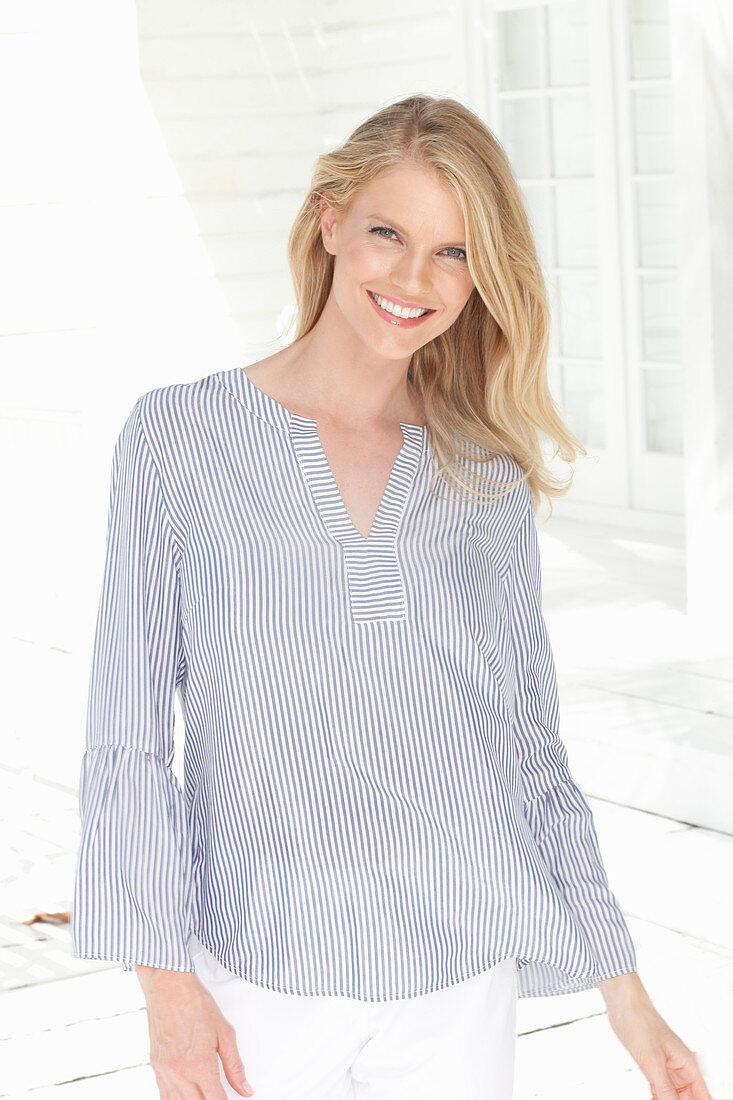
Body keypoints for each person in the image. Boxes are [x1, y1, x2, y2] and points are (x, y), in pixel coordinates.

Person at [70, 94, 712, 1100]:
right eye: (388, 233)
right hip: (255, 974)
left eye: (453, 253)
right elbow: (130, 738)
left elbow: (528, 754)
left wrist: (624, 995)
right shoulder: (178, 441)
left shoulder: (483, 476)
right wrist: (167, 988)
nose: (413, 279)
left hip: (459, 978)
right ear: (330, 221)